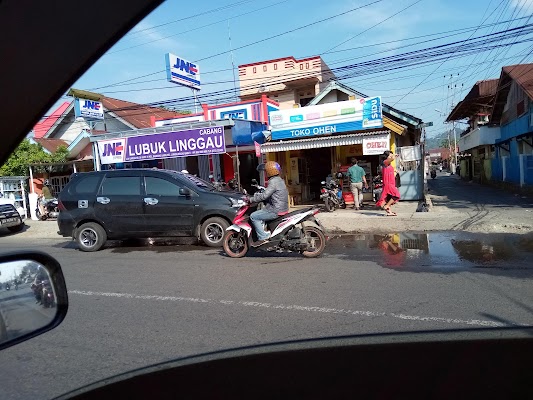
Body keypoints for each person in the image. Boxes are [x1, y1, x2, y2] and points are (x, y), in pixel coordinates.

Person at [249, 161, 289, 247]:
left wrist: (251, 199)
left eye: (266, 171)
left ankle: (263, 237)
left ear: (270, 171)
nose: (266, 173)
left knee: (254, 216)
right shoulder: (280, 180)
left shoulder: (273, 181)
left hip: (275, 210)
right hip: (282, 207)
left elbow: (264, 196)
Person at [376, 151, 401, 216]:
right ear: (386, 157)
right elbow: (391, 159)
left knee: (388, 198)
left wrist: (395, 171)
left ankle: (389, 211)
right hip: (388, 183)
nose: (391, 157)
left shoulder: (389, 164)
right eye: (390, 156)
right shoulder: (385, 163)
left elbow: (391, 169)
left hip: (391, 183)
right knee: (396, 195)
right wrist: (393, 156)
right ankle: (386, 206)